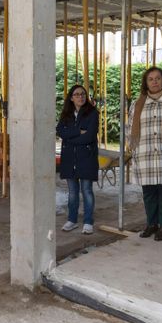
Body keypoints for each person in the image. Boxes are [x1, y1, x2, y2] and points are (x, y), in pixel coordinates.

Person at [128, 67, 162, 241]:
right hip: (145, 153)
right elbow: (130, 128)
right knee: (149, 192)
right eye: (150, 79)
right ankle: (151, 223)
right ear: (146, 83)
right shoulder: (138, 103)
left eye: (158, 78)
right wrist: (132, 149)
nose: (154, 82)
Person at [57, 85, 99, 234]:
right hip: (70, 159)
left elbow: (90, 136)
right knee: (72, 192)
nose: (80, 97)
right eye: (77, 94)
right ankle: (72, 220)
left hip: (86, 157)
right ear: (71, 97)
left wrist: (70, 139)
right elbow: (60, 131)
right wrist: (77, 132)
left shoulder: (92, 113)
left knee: (87, 190)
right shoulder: (66, 114)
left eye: (83, 94)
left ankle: (88, 221)